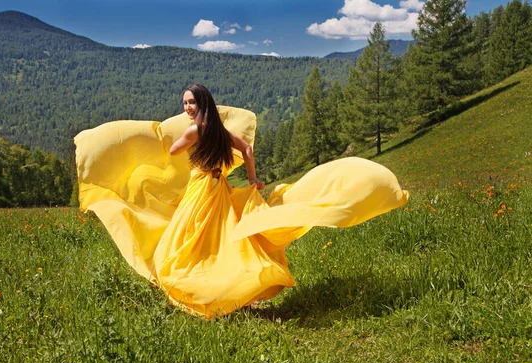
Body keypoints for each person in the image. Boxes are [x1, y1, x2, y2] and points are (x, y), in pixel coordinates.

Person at [74, 83, 409, 319]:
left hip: (201, 189)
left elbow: (173, 150)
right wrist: (251, 179)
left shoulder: (194, 132)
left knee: (188, 242)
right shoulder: (218, 129)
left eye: (190, 103)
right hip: (219, 189)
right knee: (218, 240)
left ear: (201, 103)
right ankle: (239, 289)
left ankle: (208, 289)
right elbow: (246, 150)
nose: (186, 108)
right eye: (184, 103)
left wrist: (168, 143)